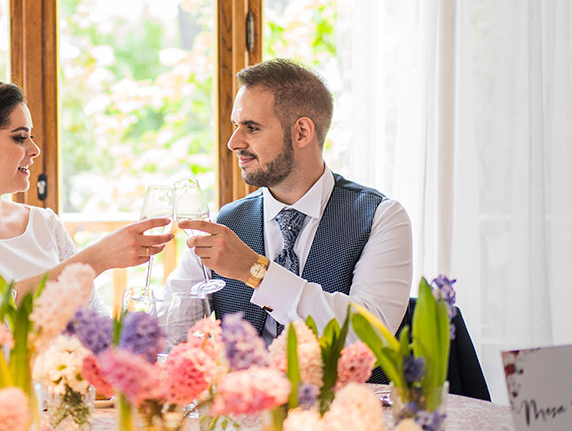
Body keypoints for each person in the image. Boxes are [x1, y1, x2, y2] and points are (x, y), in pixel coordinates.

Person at [165, 59, 411, 346]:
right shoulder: (224, 223)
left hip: (349, 391)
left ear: (302, 132)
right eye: (235, 126)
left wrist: (254, 271)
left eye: (252, 128)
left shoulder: (382, 217)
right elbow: (172, 332)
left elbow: (371, 334)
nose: (233, 142)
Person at [0, 77, 173, 325]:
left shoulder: (44, 224)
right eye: (19, 138)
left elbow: (92, 322)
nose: (35, 149)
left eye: (31, 137)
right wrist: (96, 259)